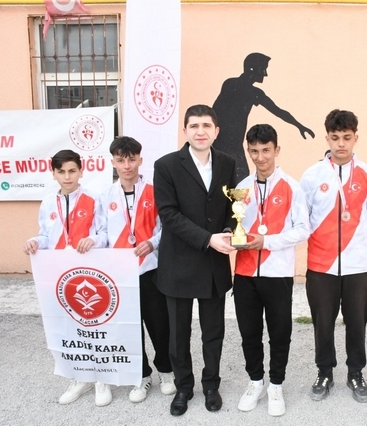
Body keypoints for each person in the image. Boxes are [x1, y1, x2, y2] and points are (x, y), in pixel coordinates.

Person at [153, 104, 237, 416]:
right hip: (178, 263)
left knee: (213, 331)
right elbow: (168, 214)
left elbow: (231, 207)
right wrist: (208, 239)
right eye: (194, 126)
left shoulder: (227, 163)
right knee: (178, 334)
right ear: (185, 131)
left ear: (216, 131)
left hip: (214, 264)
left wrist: (227, 230)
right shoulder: (166, 165)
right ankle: (184, 387)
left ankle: (211, 385)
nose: (200, 131)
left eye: (206, 126)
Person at [300, 109, 367, 403]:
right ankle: (324, 371)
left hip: (357, 266)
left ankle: (355, 372)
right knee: (322, 323)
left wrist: (364, 252)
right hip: (321, 266)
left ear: (356, 137)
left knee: (357, 323)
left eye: (347, 137)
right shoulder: (312, 176)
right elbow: (304, 220)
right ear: (327, 138)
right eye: (335, 138)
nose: (341, 144)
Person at [233, 124, 309, 416]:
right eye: (254, 151)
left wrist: (267, 241)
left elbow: (303, 230)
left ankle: (276, 384)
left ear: (277, 150)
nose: (260, 157)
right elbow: (236, 226)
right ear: (248, 151)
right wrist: (231, 237)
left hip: (277, 273)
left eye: (266, 150)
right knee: (249, 332)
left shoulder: (292, 186)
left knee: (280, 333)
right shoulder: (241, 187)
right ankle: (255, 381)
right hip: (245, 273)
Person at [22, 149, 108, 406]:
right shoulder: (48, 203)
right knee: (70, 326)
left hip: (90, 272)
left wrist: (92, 240)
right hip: (60, 274)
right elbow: (45, 235)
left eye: (72, 171)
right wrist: (34, 242)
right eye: (61, 172)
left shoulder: (94, 199)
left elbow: (105, 233)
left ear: (81, 171)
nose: (67, 177)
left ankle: (101, 378)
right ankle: (79, 377)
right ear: (54, 174)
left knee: (95, 325)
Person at [100, 136, 175, 403]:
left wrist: (152, 243)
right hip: (120, 274)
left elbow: (166, 227)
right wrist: (91, 242)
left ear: (140, 160)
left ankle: (166, 371)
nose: (127, 165)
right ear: (113, 162)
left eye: (132, 159)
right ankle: (141, 375)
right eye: (121, 160)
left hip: (151, 269)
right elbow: (102, 233)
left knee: (159, 324)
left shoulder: (155, 192)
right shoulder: (106, 196)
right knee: (130, 328)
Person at [212, 52, 315, 181]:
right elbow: (214, 112)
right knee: (236, 181)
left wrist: (299, 125)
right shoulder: (232, 85)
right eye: (263, 69)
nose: (265, 74)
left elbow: (278, 111)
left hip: (232, 145)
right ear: (253, 69)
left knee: (240, 182)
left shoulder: (252, 92)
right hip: (223, 144)